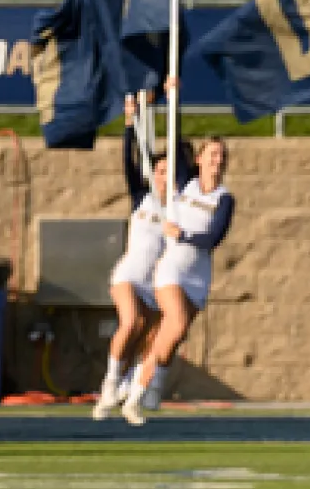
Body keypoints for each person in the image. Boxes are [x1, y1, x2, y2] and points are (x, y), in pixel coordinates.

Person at [93, 91, 195, 421]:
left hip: (156, 282)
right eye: (159, 170)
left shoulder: (180, 205)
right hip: (129, 273)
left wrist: (173, 98)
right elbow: (130, 159)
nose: (163, 176)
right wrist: (130, 121)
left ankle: (128, 390)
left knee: (151, 338)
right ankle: (109, 382)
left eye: (169, 171)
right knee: (131, 322)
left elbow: (185, 158)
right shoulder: (143, 197)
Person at [122, 135, 233, 426]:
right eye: (211, 155)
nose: (216, 161)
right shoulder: (184, 184)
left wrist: (182, 234)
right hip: (171, 270)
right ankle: (138, 395)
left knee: (171, 337)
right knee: (177, 322)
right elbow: (175, 132)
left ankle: (144, 383)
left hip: (198, 277)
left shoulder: (224, 199)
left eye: (221, 156)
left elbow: (212, 239)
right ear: (198, 160)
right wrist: (173, 92)